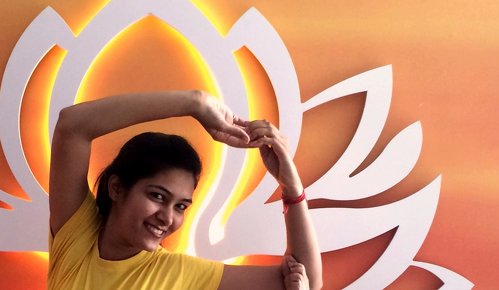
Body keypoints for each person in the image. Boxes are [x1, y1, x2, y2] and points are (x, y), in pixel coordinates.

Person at [47, 90, 322, 290]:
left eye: (180, 206)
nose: (167, 217)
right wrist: (195, 103)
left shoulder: (177, 273)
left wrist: (291, 188)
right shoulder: (76, 238)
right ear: (117, 188)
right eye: (157, 196)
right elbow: (72, 125)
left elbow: (304, 277)